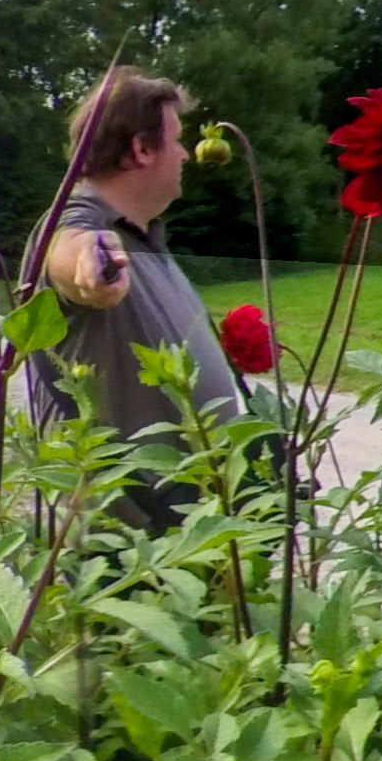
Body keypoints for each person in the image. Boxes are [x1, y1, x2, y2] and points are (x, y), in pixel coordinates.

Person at [25, 64, 243, 533]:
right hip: (125, 541)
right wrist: (90, 266)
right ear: (142, 149)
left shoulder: (144, 238)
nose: (184, 154)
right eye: (177, 140)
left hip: (187, 526)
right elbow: (68, 252)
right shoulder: (75, 222)